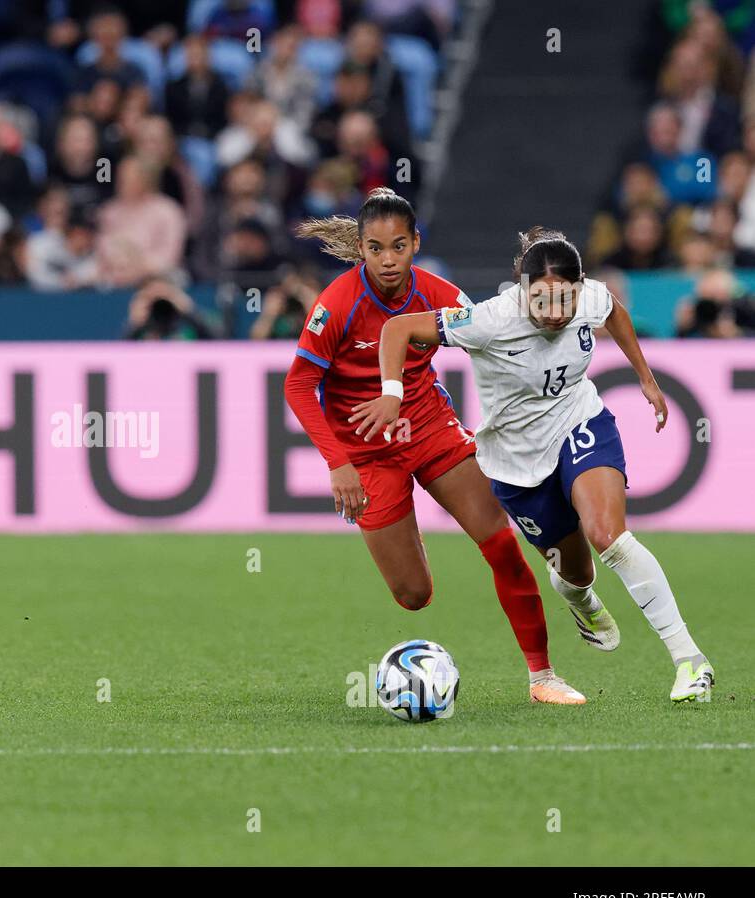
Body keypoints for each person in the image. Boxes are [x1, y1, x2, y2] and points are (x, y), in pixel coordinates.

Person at [356, 229, 715, 703]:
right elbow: (397, 329)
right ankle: (582, 602)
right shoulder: (488, 319)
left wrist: (645, 378)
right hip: (516, 463)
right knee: (575, 574)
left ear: (578, 287)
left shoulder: (588, 297)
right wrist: (392, 393)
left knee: (609, 536)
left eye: (564, 300)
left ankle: (689, 660)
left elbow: (613, 311)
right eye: (540, 300)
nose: (553, 312)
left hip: (579, 422)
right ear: (522, 291)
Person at [284, 188, 586, 704]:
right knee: (413, 595)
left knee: (501, 544)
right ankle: (405, 524)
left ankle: (543, 677)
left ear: (415, 243)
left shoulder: (439, 293)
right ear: (361, 249)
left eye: (398, 246)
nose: (387, 260)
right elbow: (297, 385)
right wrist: (339, 464)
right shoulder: (336, 304)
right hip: (367, 455)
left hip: (429, 429)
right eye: (375, 248)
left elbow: (495, 342)